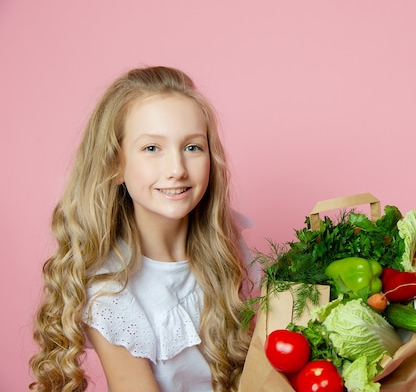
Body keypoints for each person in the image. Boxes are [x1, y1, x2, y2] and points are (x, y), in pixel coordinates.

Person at [29, 66, 252, 392]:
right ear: (116, 165)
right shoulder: (112, 292)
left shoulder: (226, 243)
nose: (176, 169)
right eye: (152, 148)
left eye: (192, 147)